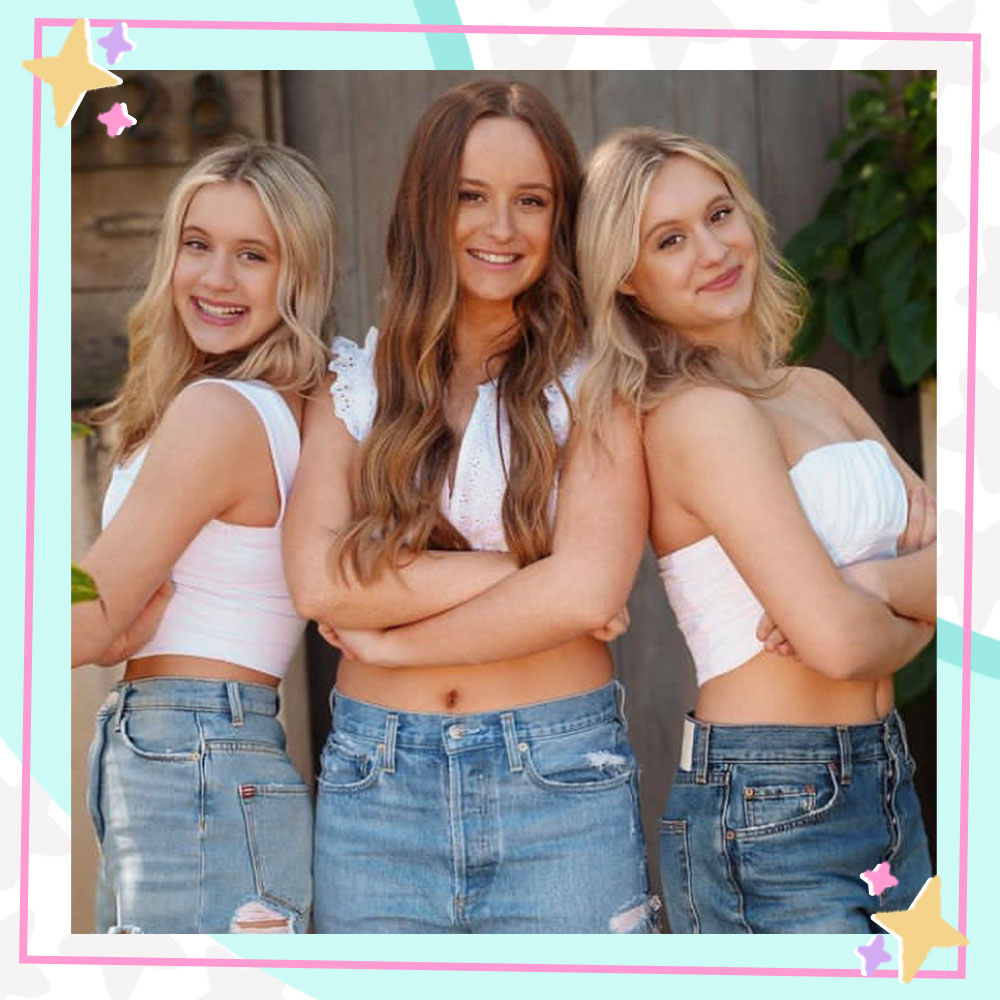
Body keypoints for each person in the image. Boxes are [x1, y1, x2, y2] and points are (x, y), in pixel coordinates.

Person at [284, 80, 656, 934]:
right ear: (426, 207)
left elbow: (588, 593)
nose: (501, 227)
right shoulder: (355, 381)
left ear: (560, 220)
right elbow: (317, 583)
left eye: (531, 200)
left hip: (559, 780)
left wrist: (386, 634)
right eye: (470, 196)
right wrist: (520, 571)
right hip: (376, 790)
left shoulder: (598, 381)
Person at [574, 127, 936, 933]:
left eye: (719, 214)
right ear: (627, 280)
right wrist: (911, 605)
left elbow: (964, 566)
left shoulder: (814, 388)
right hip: (775, 805)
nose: (711, 249)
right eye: (670, 240)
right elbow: (842, 644)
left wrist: (871, 589)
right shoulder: (696, 418)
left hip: (884, 777)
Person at [73, 141, 338, 934]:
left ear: (299, 275)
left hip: (189, 758)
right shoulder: (270, 401)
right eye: (199, 245)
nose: (216, 278)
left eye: (252, 255)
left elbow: (83, 614)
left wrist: (97, 611)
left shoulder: (220, 412)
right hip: (192, 754)